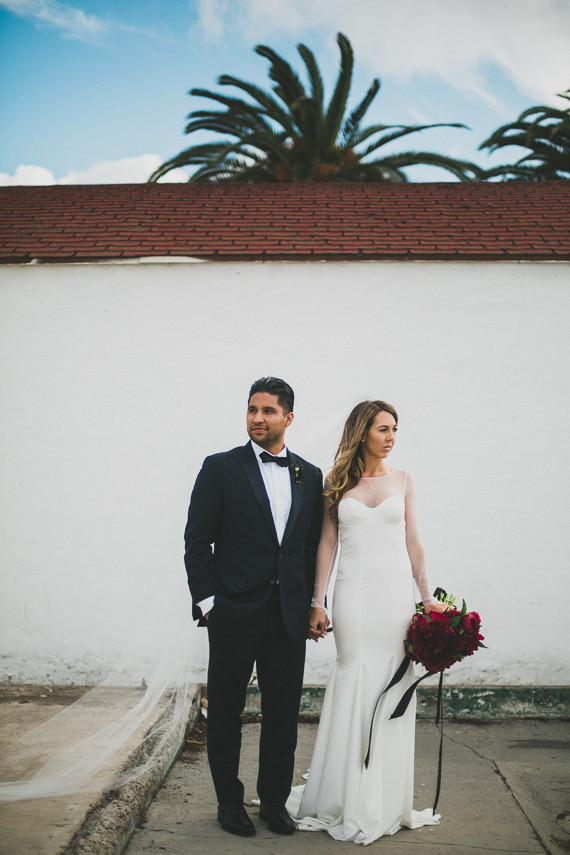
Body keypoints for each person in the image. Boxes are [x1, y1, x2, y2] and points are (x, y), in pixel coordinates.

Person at [288, 400, 447, 845]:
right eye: (383, 428)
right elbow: (326, 544)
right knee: (356, 677)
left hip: (395, 597)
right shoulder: (336, 482)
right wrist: (317, 601)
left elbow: (414, 541)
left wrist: (426, 596)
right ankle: (345, 795)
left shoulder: (404, 479)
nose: (392, 436)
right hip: (354, 597)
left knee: (392, 685)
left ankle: (385, 799)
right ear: (363, 432)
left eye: (395, 428)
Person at [184, 377, 323, 837]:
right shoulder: (221, 467)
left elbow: (307, 550)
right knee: (225, 711)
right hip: (233, 613)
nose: (258, 418)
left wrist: (313, 604)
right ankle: (229, 802)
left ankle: (275, 804)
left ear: (288, 417)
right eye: (251, 410)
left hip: (287, 614)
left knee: (282, 713)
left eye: (267, 410)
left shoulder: (310, 474)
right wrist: (207, 603)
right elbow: (197, 539)